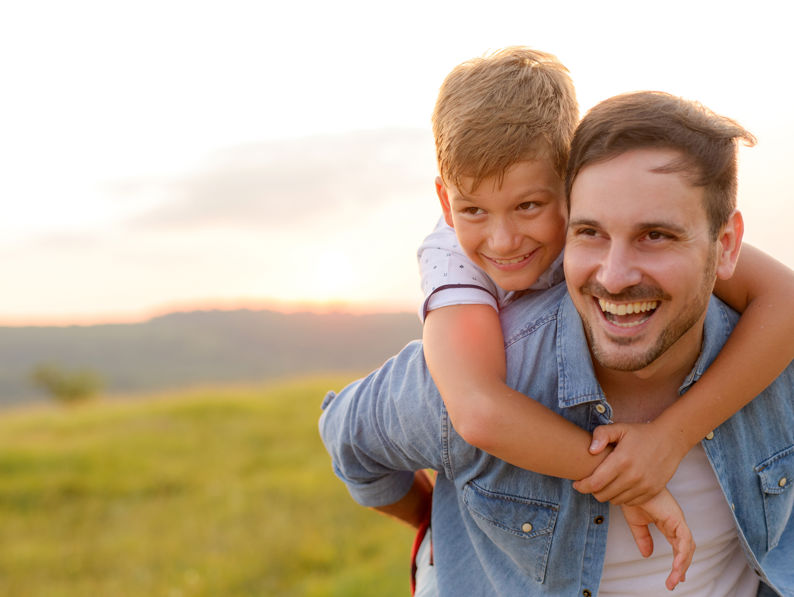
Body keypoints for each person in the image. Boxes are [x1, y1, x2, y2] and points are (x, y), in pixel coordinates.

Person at [319, 91, 794, 595]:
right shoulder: (485, 366)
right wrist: (432, 527)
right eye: (590, 232)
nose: (614, 277)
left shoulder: (771, 357)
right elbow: (353, 439)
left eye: (655, 235)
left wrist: (671, 438)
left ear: (725, 246)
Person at [419, 47, 794, 506]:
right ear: (445, 200)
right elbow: (477, 410)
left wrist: (671, 437)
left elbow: (784, 300)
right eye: (473, 209)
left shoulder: (614, 218)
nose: (502, 241)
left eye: (529, 206)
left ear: (572, 182)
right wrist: (624, 480)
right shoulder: (450, 257)